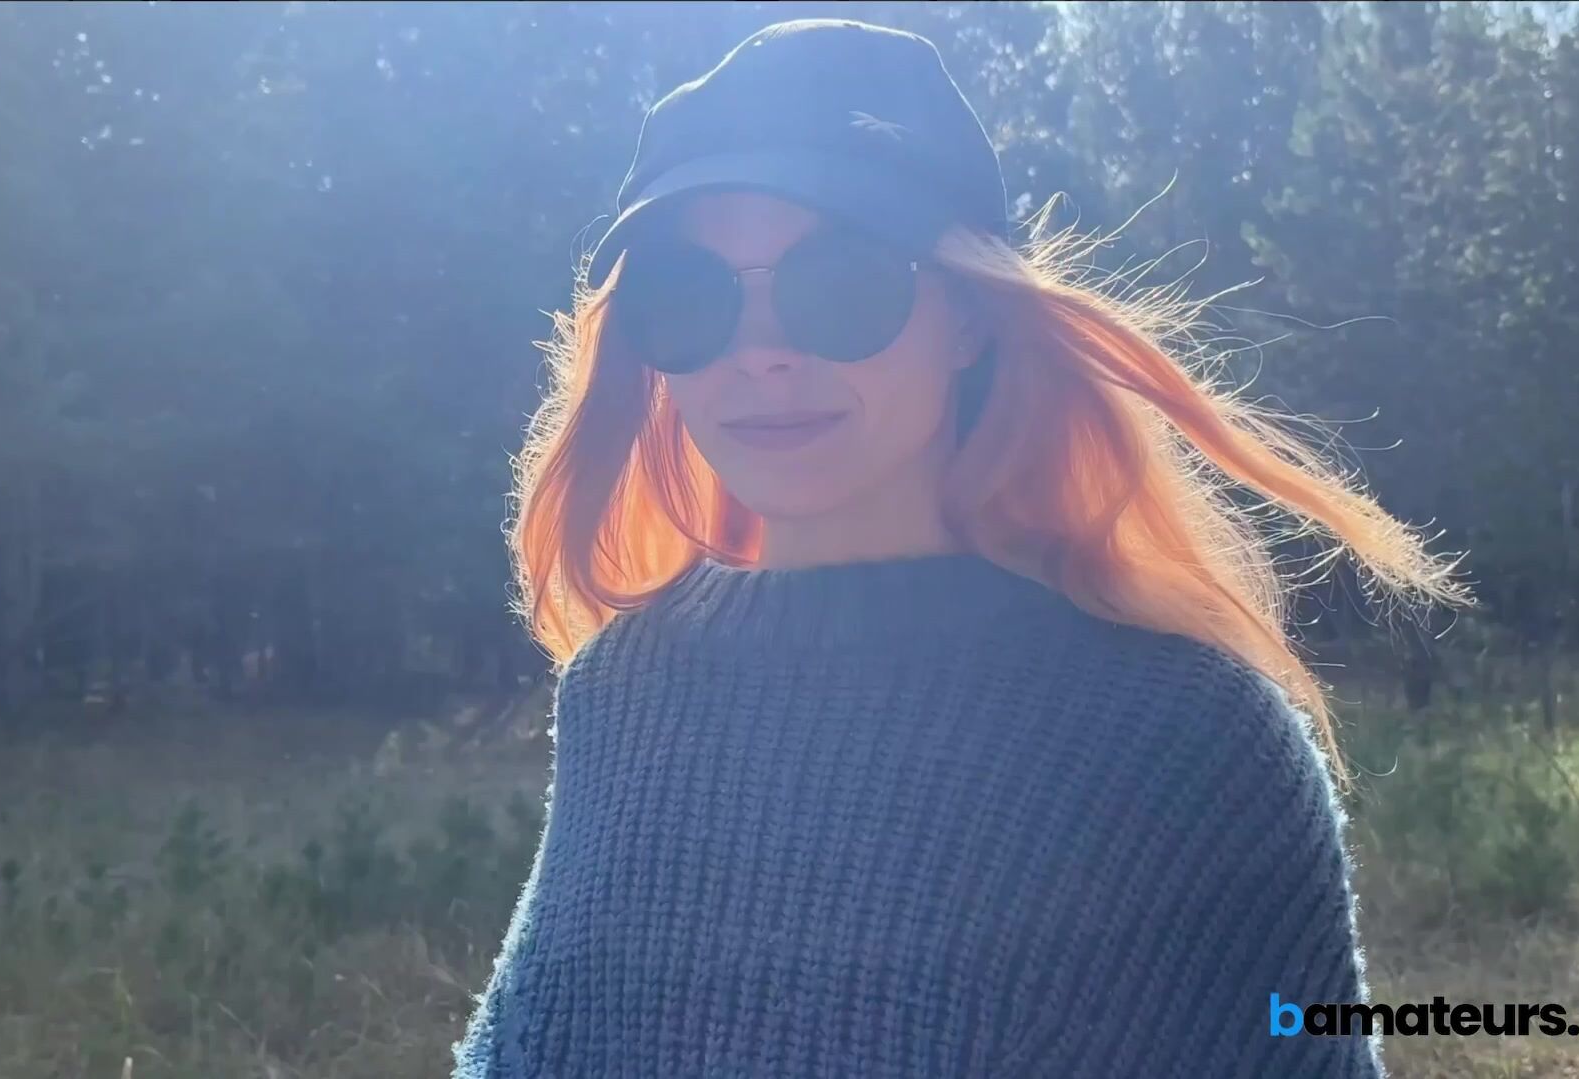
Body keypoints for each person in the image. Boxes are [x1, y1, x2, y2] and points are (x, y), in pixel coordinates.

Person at [454, 17, 1464, 1079]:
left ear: (972, 316)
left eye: (840, 280)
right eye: (689, 295)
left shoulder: (1190, 741)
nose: (760, 353)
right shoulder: (624, 690)